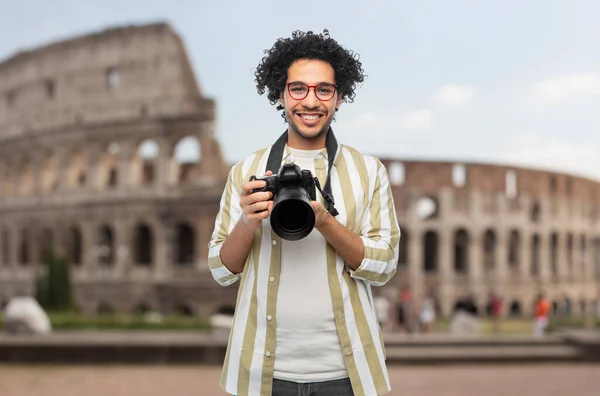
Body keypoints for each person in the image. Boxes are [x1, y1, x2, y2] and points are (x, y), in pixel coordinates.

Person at [208, 30, 401, 396]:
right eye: (298, 89)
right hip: (260, 375)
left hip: (346, 374)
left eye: (323, 90)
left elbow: (384, 267)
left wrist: (325, 221)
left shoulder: (368, 171)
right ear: (281, 94)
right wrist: (248, 220)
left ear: (340, 97)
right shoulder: (246, 170)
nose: (310, 101)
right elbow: (220, 271)